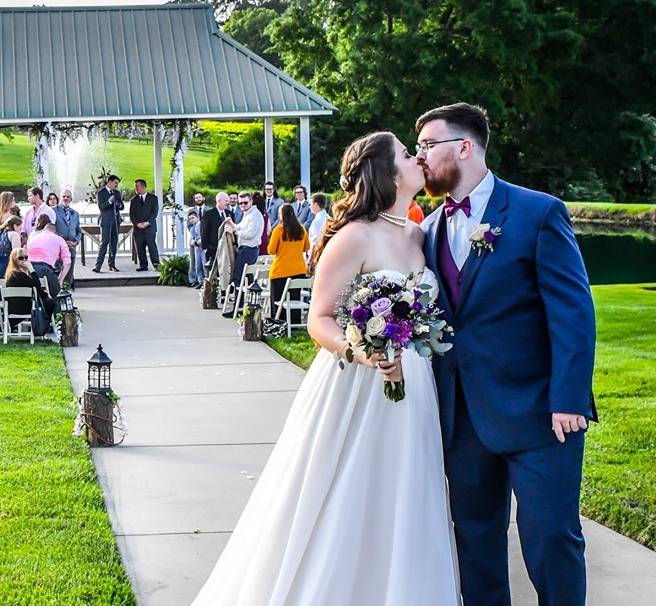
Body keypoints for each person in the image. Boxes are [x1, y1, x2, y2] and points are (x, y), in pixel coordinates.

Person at [192, 132, 460, 605]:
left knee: (404, 492)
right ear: (386, 172)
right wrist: (362, 352)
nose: (417, 157)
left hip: (412, 383)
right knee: (345, 490)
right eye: (405, 153)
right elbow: (319, 320)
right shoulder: (355, 236)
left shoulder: (421, 234)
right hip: (356, 380)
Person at [417, 102, 595, 606]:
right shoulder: (426, 231)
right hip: (462, 417)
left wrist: (569, 399)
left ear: (465, 147)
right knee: (475, 541)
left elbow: (574, 315)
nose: (420, 157)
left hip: (540, 414)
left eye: (429, 146)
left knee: (550, 538)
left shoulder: (537, 212)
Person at [222, 191, 264, 316]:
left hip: (249, 250)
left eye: (245, 202)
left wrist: (235, 230)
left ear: (251, 201)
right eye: (240, 203)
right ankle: (245, 308)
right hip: (245, 249)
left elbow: (250, 233)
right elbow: (241, 227)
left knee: (239, 278)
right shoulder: (248, 214)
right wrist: (233, 224)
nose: (243, 205)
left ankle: (238, 309)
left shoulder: (255, 215)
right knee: (245, 279)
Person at [267, 204, 310, 323]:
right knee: (294, 299)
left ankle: (279, 322)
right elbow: (307, 247)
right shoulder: (301, 229)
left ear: (282, 215)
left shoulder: (279, 230)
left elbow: (271, 250)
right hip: (299, 270)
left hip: (280, 270)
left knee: (278, 299)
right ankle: (295, 323)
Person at [3, 247, 54, 330]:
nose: (24, 260)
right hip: (23, 308)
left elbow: (35, 287)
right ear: (14, 260)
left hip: (15, 307)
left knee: (47, 300)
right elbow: (37, 284)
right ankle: (42, 326)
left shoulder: (12, 273)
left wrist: (45, 295)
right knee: (50, 303)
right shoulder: (18, 275)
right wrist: (31, 269)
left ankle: (40, 326)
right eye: (21, 258)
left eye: (26, 257)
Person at [27, 214, 71, 300]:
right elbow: (67, 263)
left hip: (29, 269)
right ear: (55, 232)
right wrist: (60, 280)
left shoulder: (33, 238)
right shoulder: (59, 239)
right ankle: (54, 311)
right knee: (55, 291)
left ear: (44, 229)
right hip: (44, 270)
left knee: (34, 293)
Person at [93, 174, 124, 273]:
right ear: (110, 182)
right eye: (115, 183)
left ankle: (112, 264)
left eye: (117, 184)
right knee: (104, 242)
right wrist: (110, 201)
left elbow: (122, 206)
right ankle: (98, 266)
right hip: (106, 221)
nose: (116, 185)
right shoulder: (101, 193)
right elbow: (101, 207)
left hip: (116, 220)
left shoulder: (117, 193)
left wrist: (119, 204)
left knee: (114, 243)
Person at [129, 178, 160, 271]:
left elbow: (154, 212)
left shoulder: (153, 198)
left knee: (152, 247)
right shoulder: (133, 200)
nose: (136, 188)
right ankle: (143, 266)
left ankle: (157, 265)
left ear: (143, 186)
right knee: (140, 248)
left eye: (137, 186)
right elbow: (132, 214)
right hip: (138, 229)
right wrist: (137, 224)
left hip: (149, 228)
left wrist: (147, 222)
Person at [52, 189, 81, 288]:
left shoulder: (75, 214)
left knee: (69, 273)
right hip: (58, 248)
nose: (66, 198)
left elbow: (78, 231)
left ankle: (67, 292)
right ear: (60, 198)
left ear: (71, 199)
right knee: (59, 271)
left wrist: (76, 242)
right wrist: (61, 241)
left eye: (68, 197)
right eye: (64, 196)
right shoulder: (53, 211)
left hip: (71, 248)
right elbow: (51, 229)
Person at [200, 191, 233, 264]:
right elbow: (204, 231)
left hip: (227, 248)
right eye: (226, 201)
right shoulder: (208, 214)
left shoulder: (230, 214)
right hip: (213, 249)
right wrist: (206, 248)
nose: (228, 203)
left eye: (228, 201)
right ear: (219, 201)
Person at [186, 210, 205, 288]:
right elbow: (192, 239)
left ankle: (205, 281)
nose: (191, 220)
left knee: (204, 264)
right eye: (190, 219)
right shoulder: (192, 228)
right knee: (198, 265)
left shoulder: (202, 225)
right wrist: (192, 242)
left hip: (203, 248)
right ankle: (200, 281)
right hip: (196, 248)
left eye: (193, 218)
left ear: (197, 217)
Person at [307, 193, 329, 259]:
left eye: (310, 204)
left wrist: (309, 262)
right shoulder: (328, 217)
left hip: (317, 256)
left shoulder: (316, 221)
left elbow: (314, 244)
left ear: (316, 205)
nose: (309, 206)